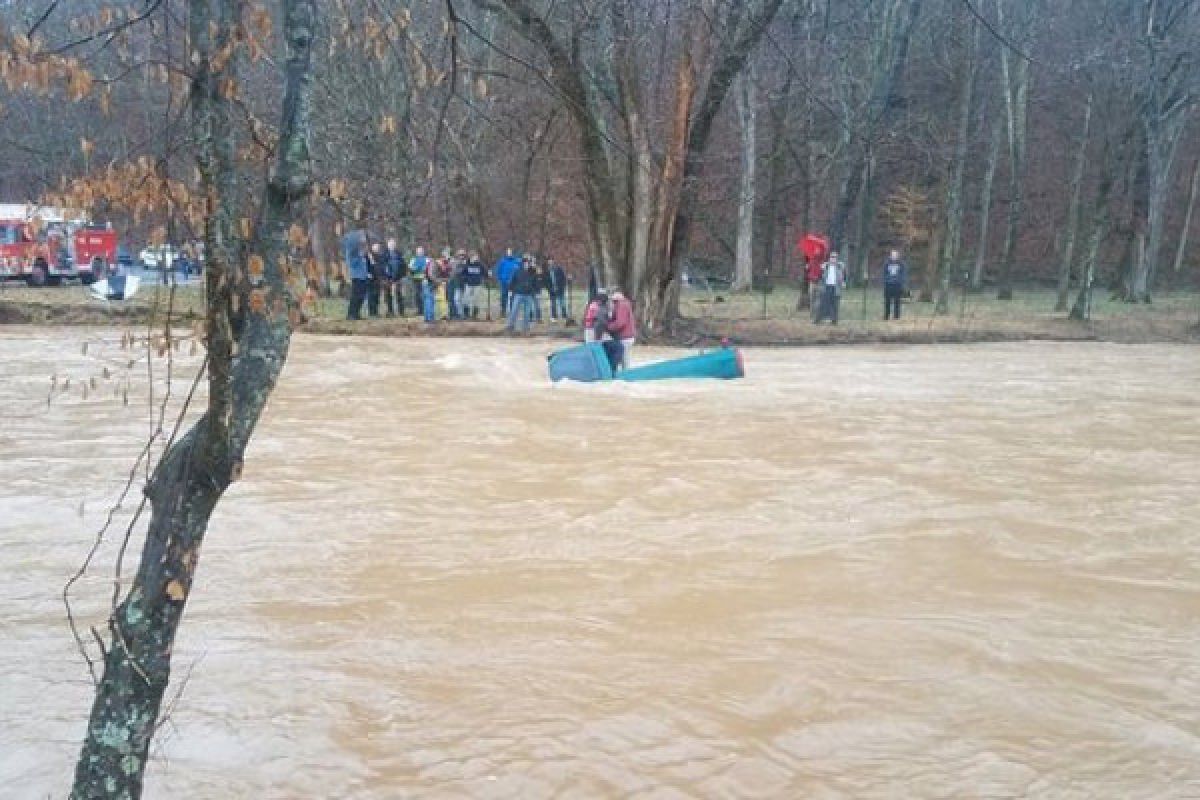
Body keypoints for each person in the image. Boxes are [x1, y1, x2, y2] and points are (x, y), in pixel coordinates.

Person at [341, 226, 369, 320]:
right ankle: (351, 314)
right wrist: (359, 256)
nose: (363, 238)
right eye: (362, 236)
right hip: (356, 276)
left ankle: (357, 313)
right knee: (355, 296)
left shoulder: (361, 250)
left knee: (361, 296)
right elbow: (351, 263)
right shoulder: (352, 251)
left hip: (363, 276)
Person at [506, 257, 538, 333]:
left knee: (527, 312)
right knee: (514, 310)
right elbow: (512, 281)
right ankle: (510, 326)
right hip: (519, 294)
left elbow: (535, 283)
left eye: (528, 263)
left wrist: (536, 292)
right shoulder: (517, 271)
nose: (527, 264)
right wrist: (510, 290)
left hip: (528, 294)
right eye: (526, 263)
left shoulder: (532, 272)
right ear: (523, 264)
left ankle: (526, 328)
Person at [607, 289, 637, 369]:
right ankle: (624, 375)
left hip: (625, 337)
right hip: (627, 336)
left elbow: (620, 323)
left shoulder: (621, 306)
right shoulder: (624, 304)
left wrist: (608, 327)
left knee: (624, 360)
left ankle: (625, 376)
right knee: (624, 359)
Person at [816, 251, 846, 325]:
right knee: (823, 303)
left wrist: (843, 282)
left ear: (837, 259)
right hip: (826, 287)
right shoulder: (825, 266)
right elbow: (820, 276)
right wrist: (821, 269)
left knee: (835, 305)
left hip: (836, 288)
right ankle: (818, 319)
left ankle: (834, 320)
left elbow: (844, 276)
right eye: (832, 257)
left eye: (835, 257)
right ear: (829, 258)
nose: (833, 259)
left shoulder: (840, 266)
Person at [494, 248, 521, 315]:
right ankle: (503, 311)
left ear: (512, 253)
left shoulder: (517, 261)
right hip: (504, 282)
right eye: (508, 252)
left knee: (513, 297)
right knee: (504, 296)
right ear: (506, 253)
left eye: (510, 252)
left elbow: (520, 271)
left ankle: (512, 311)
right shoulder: (502, 261)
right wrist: (500, 279)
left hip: (514, 283)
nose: (509, 253)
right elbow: (498, 271)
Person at [882, 248, 908, 321]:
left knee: (897, 301)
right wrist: (886, 281)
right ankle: (886, 316)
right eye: (892, 255)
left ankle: (896, 316)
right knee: (887, 301)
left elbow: (903, 274)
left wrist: (901, 282)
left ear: (897, 256)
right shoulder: (886, 263)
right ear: (890, 256)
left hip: (897, 285)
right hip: (888, 285)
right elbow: (884, 273)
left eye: (895, 255)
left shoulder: (901, 264)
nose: (894, 256)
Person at [460, 250, 487, 319]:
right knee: (466, 299)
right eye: (472, 256)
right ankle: (466, 315)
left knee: (476, 300)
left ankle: (475, 315)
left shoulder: (480, 264)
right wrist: (466, 279)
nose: (474, 258)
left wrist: (487, 276)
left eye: (475, 256)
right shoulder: (466, 264)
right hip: (468, 284)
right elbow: (462, 274)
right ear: (470, 257)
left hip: (477, 284)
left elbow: (485, 273)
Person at [385, 237, 407, 316]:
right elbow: (383, 266)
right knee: (388, 296)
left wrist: (403, 275)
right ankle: (390, 311)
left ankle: (401, 312)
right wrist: (386, 276)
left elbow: (404, 265)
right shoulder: (385, 254)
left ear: (395, 245)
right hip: (388, 278)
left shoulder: (399, 254)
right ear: (388, 245)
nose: (392, 245)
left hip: (398, 278)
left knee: (399, 295)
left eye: (393, 244)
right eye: (390, 244)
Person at [366, 240, 387, 317]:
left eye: (378, 247)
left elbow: (381, 267)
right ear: (372, 247)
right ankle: (371, 312)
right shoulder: (368, 256)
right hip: (370, 279)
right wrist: (368, 273)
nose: (377, 248)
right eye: (375, 247)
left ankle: (375, 311)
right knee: (371, 295)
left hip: (378, 279)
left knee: (377, 295)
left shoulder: (380, 256)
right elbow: (366, 266)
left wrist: (383, 276)